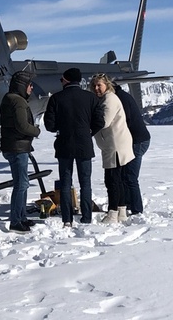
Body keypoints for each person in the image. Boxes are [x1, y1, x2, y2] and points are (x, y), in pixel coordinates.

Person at [44, 67, 104, 226]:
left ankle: (67, 218)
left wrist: (61, 127)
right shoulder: (91, 98)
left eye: (62, 79)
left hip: (64, 144)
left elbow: (49, 125)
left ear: (67, 80)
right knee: (86, 183)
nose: (61, 82)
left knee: (65, 182)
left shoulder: (56, 98)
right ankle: (86, 217)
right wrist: (88, 132)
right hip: (84, 144)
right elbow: (100, 122)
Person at [0, 71, 41, 233]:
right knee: (21, 184)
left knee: (22, 183)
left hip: (15, 146)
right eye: (30, 85)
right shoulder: (18, 102)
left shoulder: (11, 99)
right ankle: (16, 221)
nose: (31, 88)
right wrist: (36, 131)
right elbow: (22, 126)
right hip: (17, 148)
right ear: (22, 86)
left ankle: (21, 217)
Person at [90, 74, 135, 223]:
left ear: (106, 85)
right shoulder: (107, 98)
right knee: (117, 179)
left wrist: (86, 129)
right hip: (115, 143)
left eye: (99, 85)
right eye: (94, 85)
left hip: (115, 145)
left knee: (112, 180)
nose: (96, 88)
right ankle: (121, 210)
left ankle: (112, 213)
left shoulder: (109, 100)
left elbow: (104, 121)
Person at [115, 84, 151, 215]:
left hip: (137, 141)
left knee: (130, 176)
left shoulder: (120, 99)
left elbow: (125, 121)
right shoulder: (122, 96)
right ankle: (129, 204)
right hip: (136, 140)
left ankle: (136, 209)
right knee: (126, 175)